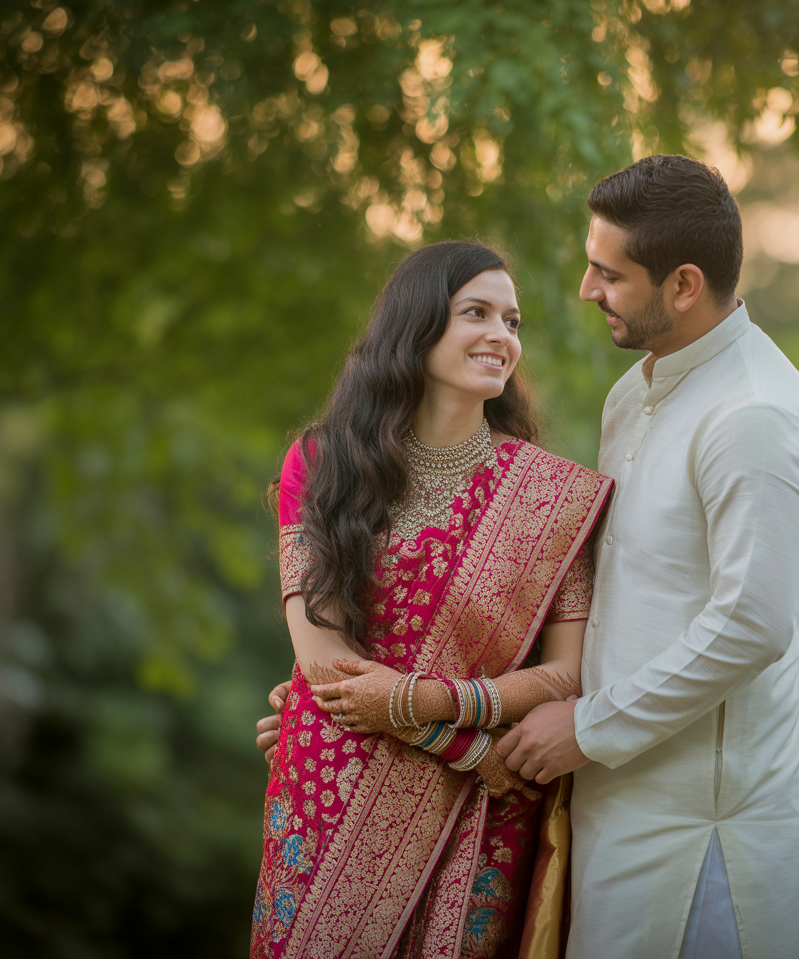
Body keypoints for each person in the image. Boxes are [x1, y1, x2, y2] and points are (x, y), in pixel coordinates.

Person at [496, 155, 799, 958]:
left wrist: (586, 727)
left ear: (683, 285)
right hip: (618, 822)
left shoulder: (754, 416)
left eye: (608, 274)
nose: (588, 291)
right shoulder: (639, 391)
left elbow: (752, 626)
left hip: (706, 851)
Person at [250, 240, 612, 959]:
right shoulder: (323, 464)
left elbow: (568, 676)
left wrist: (428, 703)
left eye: (513, 322)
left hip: (478, 819)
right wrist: (470, 748)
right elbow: (324, 666)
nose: (501, 336)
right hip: (336, 786)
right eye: (476, 313)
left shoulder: (554, 498)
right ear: (415, 327)